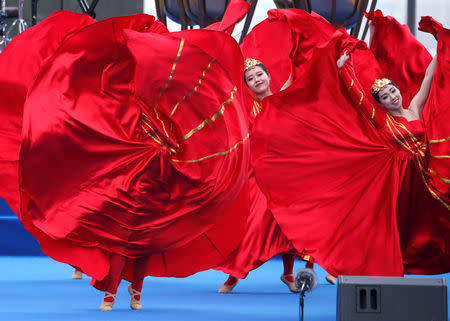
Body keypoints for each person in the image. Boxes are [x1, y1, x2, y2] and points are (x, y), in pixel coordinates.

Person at [1, 9, 251, 311]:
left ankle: (136, 289)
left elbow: (198, 126)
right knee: (125, 235)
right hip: (132, 174)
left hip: (165, 176)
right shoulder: (129, 95)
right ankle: (114, 292)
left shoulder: (173, 93)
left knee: (148, 237)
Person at [249, 10, 449, 280]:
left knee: (429, 224)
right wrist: (343, 67)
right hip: (398, 183)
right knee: (388, 227)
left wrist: (441, 45)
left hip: (424, 176)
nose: (391, 97)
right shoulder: (381, 119)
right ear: (380, 103)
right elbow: (358, 98)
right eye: (385, 96)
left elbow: (428, 79)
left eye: (393, 91)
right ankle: (352, 266)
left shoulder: (414, 109)